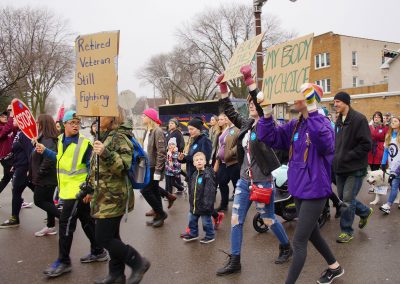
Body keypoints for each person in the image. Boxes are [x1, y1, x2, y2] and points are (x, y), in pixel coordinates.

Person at [256, 79, 344, 284]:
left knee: (299, 241)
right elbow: (271, 138)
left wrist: (313, 110)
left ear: (309, 99)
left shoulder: (322, 123)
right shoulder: (296, 124)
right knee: (312, 233)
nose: (293, 98)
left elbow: (325, 144)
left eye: (300, 95)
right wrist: (267, 114)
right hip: (299, 188)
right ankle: (335, 267)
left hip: (315, 190)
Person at [215, 68, 291, 277]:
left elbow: (259, 101)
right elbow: (230, 112)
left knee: (268, 219)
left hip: (263, 182)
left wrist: (249, 80)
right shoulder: (247, 125)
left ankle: (286, 246)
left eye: (253, 104)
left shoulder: (268, 127)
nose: (250, 106)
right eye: (248, 104)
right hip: (243, 181)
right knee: (236, 220)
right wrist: (223, 88)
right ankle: (235, 260)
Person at [36, 111, 107, 278]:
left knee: (65, 223)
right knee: (87, 221)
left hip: (78, 191)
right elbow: (61, 159)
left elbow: (94, 168)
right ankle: (98, 250)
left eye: (77, 122)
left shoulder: (85, 144)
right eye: (72, 122)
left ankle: (64, 261)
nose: (75, 125)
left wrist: (90, 190)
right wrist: (45, 151)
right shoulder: (60, 140)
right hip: (66, 190)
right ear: (64, 124)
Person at [90, 112, 150, 284]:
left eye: (102, 115)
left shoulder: (120, 137)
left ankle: (138, 262)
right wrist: (88, 188)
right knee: (112, 236)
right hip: (103, 194)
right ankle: (116, 275)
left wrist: (106, 153)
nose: (98, 119)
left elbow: (123, 167)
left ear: (113, 117)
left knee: (103, 237)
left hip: (114, 195)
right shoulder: (105, 135)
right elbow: (96, 167)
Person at [333, 92, 373, 244]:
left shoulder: (359, 119)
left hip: (355, 168)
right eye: (334, 102)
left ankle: (346, 231)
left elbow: (366, 145)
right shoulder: (338, 120)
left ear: (346, 102)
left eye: (338, 101)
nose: (335, 104)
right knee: (344, 198)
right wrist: (335, 159)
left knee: (347, 201)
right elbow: (337, 144)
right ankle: (365, 211)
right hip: (340, 168)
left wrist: (347, 156)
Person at [0, 115, 34, 228]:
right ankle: (56, 216)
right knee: (38, 194)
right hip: (19, 166)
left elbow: (30, 153)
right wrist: (14, 165)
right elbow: (17, 152)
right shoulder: (19, 133)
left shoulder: (24, 134)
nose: (13, 119)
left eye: (15, 119)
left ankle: (14, 219)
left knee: (17, 192)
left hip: (24, 168)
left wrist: (30, 169)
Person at [31, 114, 60, 237]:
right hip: (47, 177)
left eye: (38, 123)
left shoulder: (47, 138)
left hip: (46, 178)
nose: (37, 125)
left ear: (44, 124)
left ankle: (64, 218)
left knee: (39, 201)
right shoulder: (44, 138)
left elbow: (49, 159)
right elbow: (41, 153)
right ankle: (50, 226)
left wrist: (39, 174)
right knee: (48, 201)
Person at [141, 108, 169, 227]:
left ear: (150, 118)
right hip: (147, 166)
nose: (142, 117)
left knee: (145, 190)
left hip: (154, 167)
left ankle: (161, 213)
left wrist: (158, 170)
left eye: (144, 115)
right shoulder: (147, 131)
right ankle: (158, 216)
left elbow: (161, 152)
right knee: (154, 191)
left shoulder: (158, 131)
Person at [181, 151, 216, 244]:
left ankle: (210, 235)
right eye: (197, 160)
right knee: (192, 219)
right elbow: (192, 189)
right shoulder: (194, 174)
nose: (199, 161)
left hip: (205, 205)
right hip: (195, 204)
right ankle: (193, 233)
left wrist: (207, 204)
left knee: (206, 222)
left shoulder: (207, 175)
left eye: (201, 159)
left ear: (205, 162)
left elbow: (209, 191)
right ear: (194, 163)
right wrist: (191, 201)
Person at [214, 113, 240, 211]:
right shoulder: (226, 129)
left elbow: (239, 144)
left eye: (226, 117)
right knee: (222, 182)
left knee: (237, 186)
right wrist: (218, 158)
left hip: (233, 163)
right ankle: (223, 205)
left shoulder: (237, 129)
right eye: (224, 117)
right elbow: (221, 146)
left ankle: (239, 206)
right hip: (223, 163)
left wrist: (230, 153)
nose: (225, 119)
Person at [379, 116, 400, 214]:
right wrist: (383, 163)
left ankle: (388, 205)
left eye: (396, 121)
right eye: (392, 121)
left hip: (398, 166)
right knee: (396, 184)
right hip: (392, 165)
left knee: (394, 184)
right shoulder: (389, 135)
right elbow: (386, 151)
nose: (393, 122)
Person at [0, 107, 15, 196]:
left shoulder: (9, 126)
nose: (5, 117)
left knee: (6, 179)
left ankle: (18, 201)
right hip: (6, 159)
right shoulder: (2, 128)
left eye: (5, 115)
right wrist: (11, 116)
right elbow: (6, 130)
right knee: (20, 179)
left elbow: (14, 128)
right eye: (2, 116)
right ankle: (18, 201)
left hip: (12, 157)